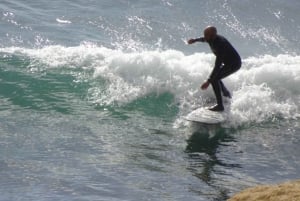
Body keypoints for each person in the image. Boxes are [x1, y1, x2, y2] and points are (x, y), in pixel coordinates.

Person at [187, 26, 241, 111]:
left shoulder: (220, 44)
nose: (204, 37)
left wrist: (208, 81)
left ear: (212, 35)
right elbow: (204, 39)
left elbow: (217, 65)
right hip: (228, 63)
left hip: (234, 64)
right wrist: (195, 40)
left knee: (214, 79)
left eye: (206, 35)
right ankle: (227, 96)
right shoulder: (210, 38)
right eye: (204, 35)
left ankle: (220, 106)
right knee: (217, 77)